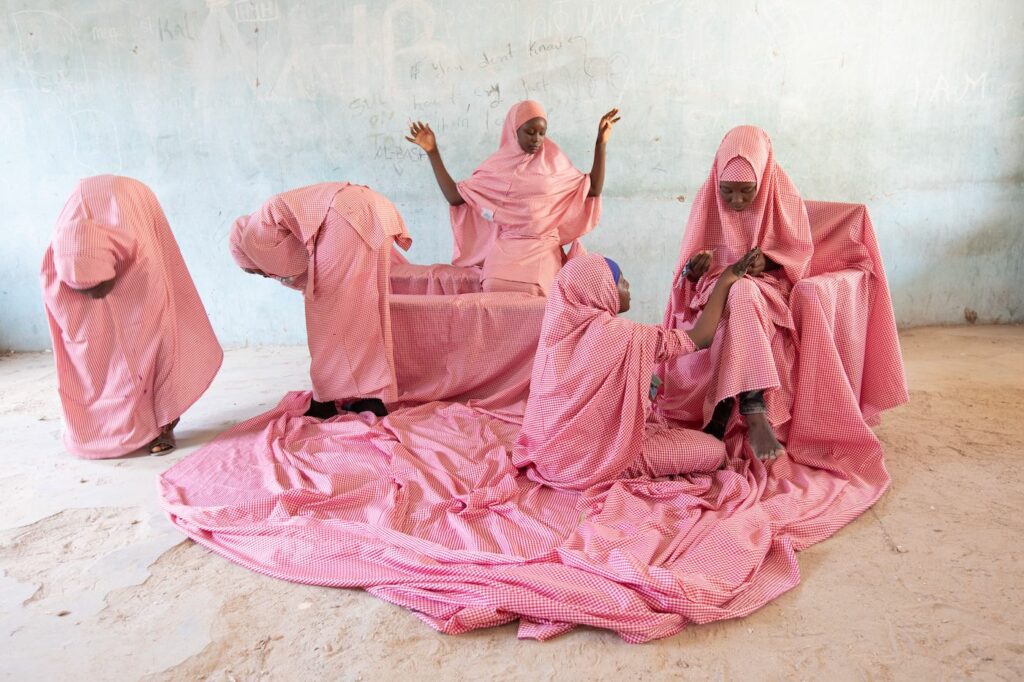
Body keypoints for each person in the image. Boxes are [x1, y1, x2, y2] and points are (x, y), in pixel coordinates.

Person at [512, 249, 757, 491]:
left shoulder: (557, 335)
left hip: (548, 455)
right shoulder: (620, 335)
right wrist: (726, 280)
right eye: (619, 280)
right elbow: (701, 338)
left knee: (661, 420)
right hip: (594, 461)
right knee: (714, 451)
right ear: (600, 291)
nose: (627, 284)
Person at [660, 125, 814, 461]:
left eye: (746, 191)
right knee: (735, 296)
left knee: (743, 293)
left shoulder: (783, 194)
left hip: (765, 291)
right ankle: (751, 406)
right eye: (727, 192)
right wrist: (694, 270)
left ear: (763, 178)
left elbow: (800, 255)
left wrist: (770, 262)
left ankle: (723, 413)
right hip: (713, 291)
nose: (737, 201)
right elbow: (685, 272)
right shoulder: (706, 199)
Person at [40, 175, 223, 457]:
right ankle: (98, 427)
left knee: (155, 336)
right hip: (85, 261)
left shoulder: (142, 253)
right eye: (87, 289)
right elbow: (75, 290)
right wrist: (85, 296)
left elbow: (148, 306)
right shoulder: (57, 262)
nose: (96, 296)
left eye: (99, 287)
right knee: (92, 353)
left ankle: (163, 421)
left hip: (133, 225)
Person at [230, 183, 411, 419]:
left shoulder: (252, 233)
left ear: (247, 253)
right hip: (379, 211)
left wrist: (272, 272)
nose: (262, 275)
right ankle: (371, 397)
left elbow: (292, 267)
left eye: (254, 271)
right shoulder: (286, 214)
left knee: (324, 314)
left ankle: (323, 400)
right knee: (366, 310)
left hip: (348, 215)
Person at [406, 100, 620, 295]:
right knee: (491, 287)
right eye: (530, 132)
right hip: (506, 250)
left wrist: (600, 144)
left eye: (542, 133)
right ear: (513, 131)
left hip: (543, 249)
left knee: (540, 295)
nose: (537, 139)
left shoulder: (556, 163)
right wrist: (432, 152)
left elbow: (591, 189)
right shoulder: (496, 168)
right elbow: (456, 197)